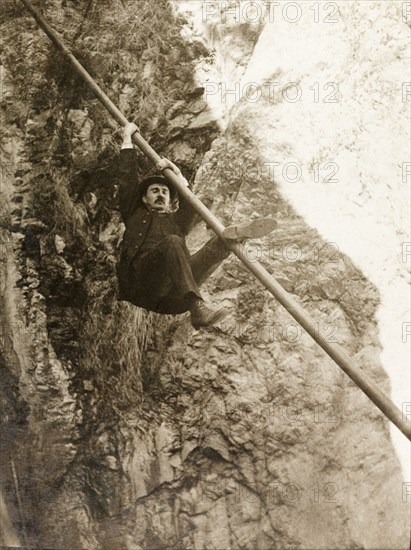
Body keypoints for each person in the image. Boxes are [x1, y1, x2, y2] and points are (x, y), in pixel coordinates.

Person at [116, 123, 276, 328]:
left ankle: (232, 238)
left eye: (164, 192)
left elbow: (190, 202)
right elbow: (126, 181)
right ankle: (197, 307)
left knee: (219, 243)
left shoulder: (176, 222)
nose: (160, 194)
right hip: (141, 284)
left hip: (173, 297)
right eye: (154, 191)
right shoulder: (134, 214)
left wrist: (177, 173)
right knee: (173, 242)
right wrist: (127, 139)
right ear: (145, 199)